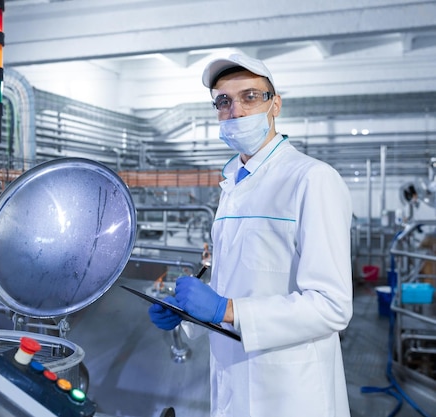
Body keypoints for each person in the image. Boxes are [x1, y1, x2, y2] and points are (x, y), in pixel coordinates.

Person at [148, 53, 353, 417]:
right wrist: (190, 314)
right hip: (233, 378)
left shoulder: (311, 179)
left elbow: (333, 306)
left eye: (250, 96)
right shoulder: (233, 185)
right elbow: (237, 282)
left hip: (289, 390)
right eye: (223, 101)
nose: (236, 111)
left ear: (276, 104)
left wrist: (224, 309)